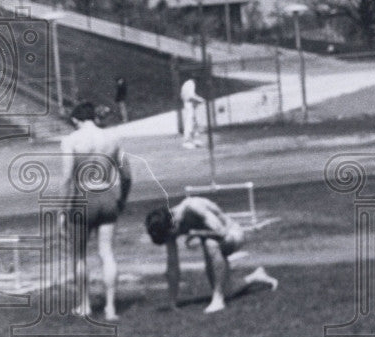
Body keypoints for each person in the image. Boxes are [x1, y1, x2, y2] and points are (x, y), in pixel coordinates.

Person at [61, 101, 132, 321]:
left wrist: (62, 210)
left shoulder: (71, 140)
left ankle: (84, 305)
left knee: (80, 255)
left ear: (76, 120)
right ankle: (111, 308)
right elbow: (127, 175)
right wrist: (122, 199)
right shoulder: (112, 138)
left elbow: (66, 178)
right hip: (107, 196)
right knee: (107, 253)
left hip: (83, 197)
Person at [144, 196, 278, 314]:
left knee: (210, 243)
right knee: (228, 292)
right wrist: (173, 302)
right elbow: (173, 266)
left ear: (173, 226)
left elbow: (221, 232)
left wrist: (195, 234)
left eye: (171, 235)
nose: (173, 238)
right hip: (213, 243)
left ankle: (218, 300)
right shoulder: (167, 224)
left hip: (233, 234)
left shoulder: (193, 207)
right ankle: (256, 276)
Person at [180, 77, 205, 149]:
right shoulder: (191, 83)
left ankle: (195, 141)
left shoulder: (186, 84)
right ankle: (186, 142)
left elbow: (183, 95)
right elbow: (191, 96)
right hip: (189, 104)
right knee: (189, 123)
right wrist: (200, 99)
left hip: (190, 104)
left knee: (194, 123)